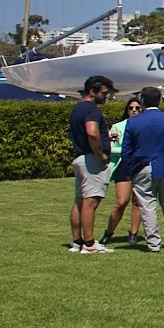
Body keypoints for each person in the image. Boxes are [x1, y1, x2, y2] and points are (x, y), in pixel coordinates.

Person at [124, 86, 164, 252]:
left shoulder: (133, 122)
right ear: (160, 99)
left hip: (143, 167)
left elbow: (127, 150)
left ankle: (153, 243)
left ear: (142, 101)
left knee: (147, 206)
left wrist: (129, 171)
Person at [68, 75, 116, 254]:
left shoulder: (77, 108)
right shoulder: (92, 110)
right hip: (91, 160)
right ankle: (89, 244)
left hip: (80, 158)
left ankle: (76, 241)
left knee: (80, 201)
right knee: (91, 202)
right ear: (92, 92)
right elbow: (92, 132)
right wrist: (101, 154)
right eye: (104, 93)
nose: (106, 97)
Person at [99, 96, 145, 248]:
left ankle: (133, 233)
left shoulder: (146, 126)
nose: (134, 111)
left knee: (137, 200)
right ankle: (109, 232)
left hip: (141, 165)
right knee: (121, 201)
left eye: (137, 108)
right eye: (131, 108)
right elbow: (111, 148)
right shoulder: (118, 126)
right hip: (124, 164)